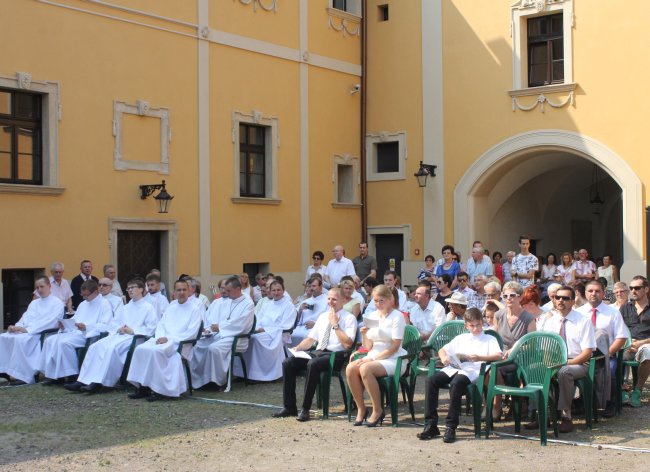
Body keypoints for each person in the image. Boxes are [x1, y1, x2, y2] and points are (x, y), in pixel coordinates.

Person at [417, 307, 502, 443]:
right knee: (431, 381)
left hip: (473, 370)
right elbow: (443, 349)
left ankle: (451, 426)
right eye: (472, 326)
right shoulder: (461, 338)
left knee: (457, 383)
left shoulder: (489, 338)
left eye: (478, 325)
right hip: (454, 367)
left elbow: (498, 355)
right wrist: (444, 357)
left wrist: (480, 357)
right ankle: (431, 424)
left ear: (482, 322)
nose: (475, 329)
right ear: (466, 325)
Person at [273, 288, 356, 421]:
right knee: (288, 362)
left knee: (313, 363)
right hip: (318, 352)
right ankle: (289, 407)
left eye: (334, 299)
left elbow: (348, 345)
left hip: (335, 355)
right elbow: (311, 339)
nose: (330, 302)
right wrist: (299, 347)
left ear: (343, 300)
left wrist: (335, 325)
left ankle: (305, 409)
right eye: (329, 299)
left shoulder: (349, 318)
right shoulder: (323, 316)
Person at [64, 278, 158, 393]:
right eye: (128, 288)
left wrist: (133, 330)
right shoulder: (126, 307)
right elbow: (113, 323)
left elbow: (151, 328)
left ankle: (99, 382)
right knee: (96, 347)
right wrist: (118, 328)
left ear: (141, 289)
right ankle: (83, 380)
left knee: (110, 349)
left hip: (134, 338)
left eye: (133, 288)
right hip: (119, 335)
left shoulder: (148, 307)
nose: (130, 290)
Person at [127, 279, 203, 401]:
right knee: (141, 349)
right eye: (179, 290)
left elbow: (192, 333)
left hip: (180, 343)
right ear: (174, 292)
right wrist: (160, 337)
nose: (182, 292)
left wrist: (168, 339)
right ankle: (143, 387)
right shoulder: (171, 306)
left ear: (189, 291)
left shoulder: (194, 309)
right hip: (163, 339)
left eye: (184, 289)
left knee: (157, 352)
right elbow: (161, 325)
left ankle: (160, 391)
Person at [537, 285, 596, 433]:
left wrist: (567, 362)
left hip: (578, 362)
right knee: (533, 369)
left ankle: (566, 416)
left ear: (572, 301)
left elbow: (587, 352)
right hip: (554, 361)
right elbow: (545, 348)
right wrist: (547, 363)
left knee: (564, 371)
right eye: (558, 297)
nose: (560, 301)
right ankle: (539, 414)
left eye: (565, 298)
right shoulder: (550, 321)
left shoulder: (583, 321)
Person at [346, 285, 406, 427]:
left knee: (365, 369)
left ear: (390, 299)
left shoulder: (398, 316)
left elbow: (395, 346)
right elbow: (368, 347)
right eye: (375, 301)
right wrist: (364, 334)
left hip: (393, 357)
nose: (378, 304)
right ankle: (361, 408)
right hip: (373, 354)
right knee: (350, 369)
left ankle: (377, 410)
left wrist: (371, 358)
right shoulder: (372, 316)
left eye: (381, 300)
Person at [39, 279, 113, 382]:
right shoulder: (83, 304)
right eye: (82, 295)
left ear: (96, 292)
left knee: (64, 343)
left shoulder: (104, 304)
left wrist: (87, 327)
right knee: (50, 340)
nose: (84, 297)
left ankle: (72, 374)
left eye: (86, 295)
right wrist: (65, 324)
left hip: (89, 335)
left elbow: (106, 325)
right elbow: (75, 320)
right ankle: (54, 375)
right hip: (76, 333)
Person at [189, 275, 255, 391]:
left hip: (237, 337)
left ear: (238, 289)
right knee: (198, 345)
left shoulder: (248, 303)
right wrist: (209, 329)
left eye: (229, 290)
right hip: (223, 334)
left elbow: (241, 324)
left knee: (214, 349)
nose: (226, 293)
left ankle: (216, 381)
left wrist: (220, 327)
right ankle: (199, 379)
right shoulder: (229, 300)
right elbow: (220, 319)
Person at [576, 279, 629, 417]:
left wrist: (608, 354)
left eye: (597, 291)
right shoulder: (577, 313)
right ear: (585, 293)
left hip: (607, 355)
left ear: (603, 293)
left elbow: (621, 337)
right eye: (590, 291)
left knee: (610, 370)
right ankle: (581, 402)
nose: (594, 294)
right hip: (583, 356)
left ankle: (608, 403)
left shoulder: (613, 312)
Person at [0, 276, 63, 385]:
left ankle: (24, 375)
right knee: (3, 337)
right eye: (37, 287)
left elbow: (52, 322)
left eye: (42, 286)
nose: (39, 290)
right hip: (27, 331)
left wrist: (27, 330)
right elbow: (25, 317)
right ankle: (4, 370)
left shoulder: (57, 303)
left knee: (21, 341)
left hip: (41, 333)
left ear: (49, 286)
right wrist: (16, 327)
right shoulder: (34, 303)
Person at [490, 281, 536, 420]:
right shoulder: (498, 315)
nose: (508, 298)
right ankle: (494, 405)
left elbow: (532, 344)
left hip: (521, 356)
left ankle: (501, 405)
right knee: (485, 368)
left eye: (512, 295)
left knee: (496, 370)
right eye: (505, 296)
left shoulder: (528, 318)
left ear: (520, 297)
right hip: (501, 355)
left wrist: (515, 349)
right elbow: (495, 339)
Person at [237, 280, 296, 382]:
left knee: (255, 340)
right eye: (274, 290)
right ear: (270, 291)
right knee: (249, 338)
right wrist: (256, 329)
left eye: (279, 290)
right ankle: (244, 372)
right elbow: (259, 319)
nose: (276, 293)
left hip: (278, 335)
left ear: (283, 290)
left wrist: (266, 330)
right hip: (263, 332)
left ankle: (258, 375)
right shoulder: (267, 304)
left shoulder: (289, 306)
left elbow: (286, 326)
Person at [619, 276, 650, 408]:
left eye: (637, 288)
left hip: (647, 344)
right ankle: (621, 390)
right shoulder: (625, 308)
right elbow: (618, 329)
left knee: (648, 352)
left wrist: (641, 343)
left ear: (646, 289)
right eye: (631, 288)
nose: (633, 291)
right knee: (614, 354)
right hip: (627, 345)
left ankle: (637, 390)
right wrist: (628, 342)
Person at [291, 276, 328, 345]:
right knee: (289, 336)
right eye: (310, 286)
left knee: (307, 336)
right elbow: (295, 319)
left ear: (321, 286)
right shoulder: (306, 301)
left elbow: (329, 319)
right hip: (302, 328)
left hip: (317, 328)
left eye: (314, 286)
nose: (311, 288)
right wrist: (300, 310)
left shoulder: (327, 301)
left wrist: (315, 324)